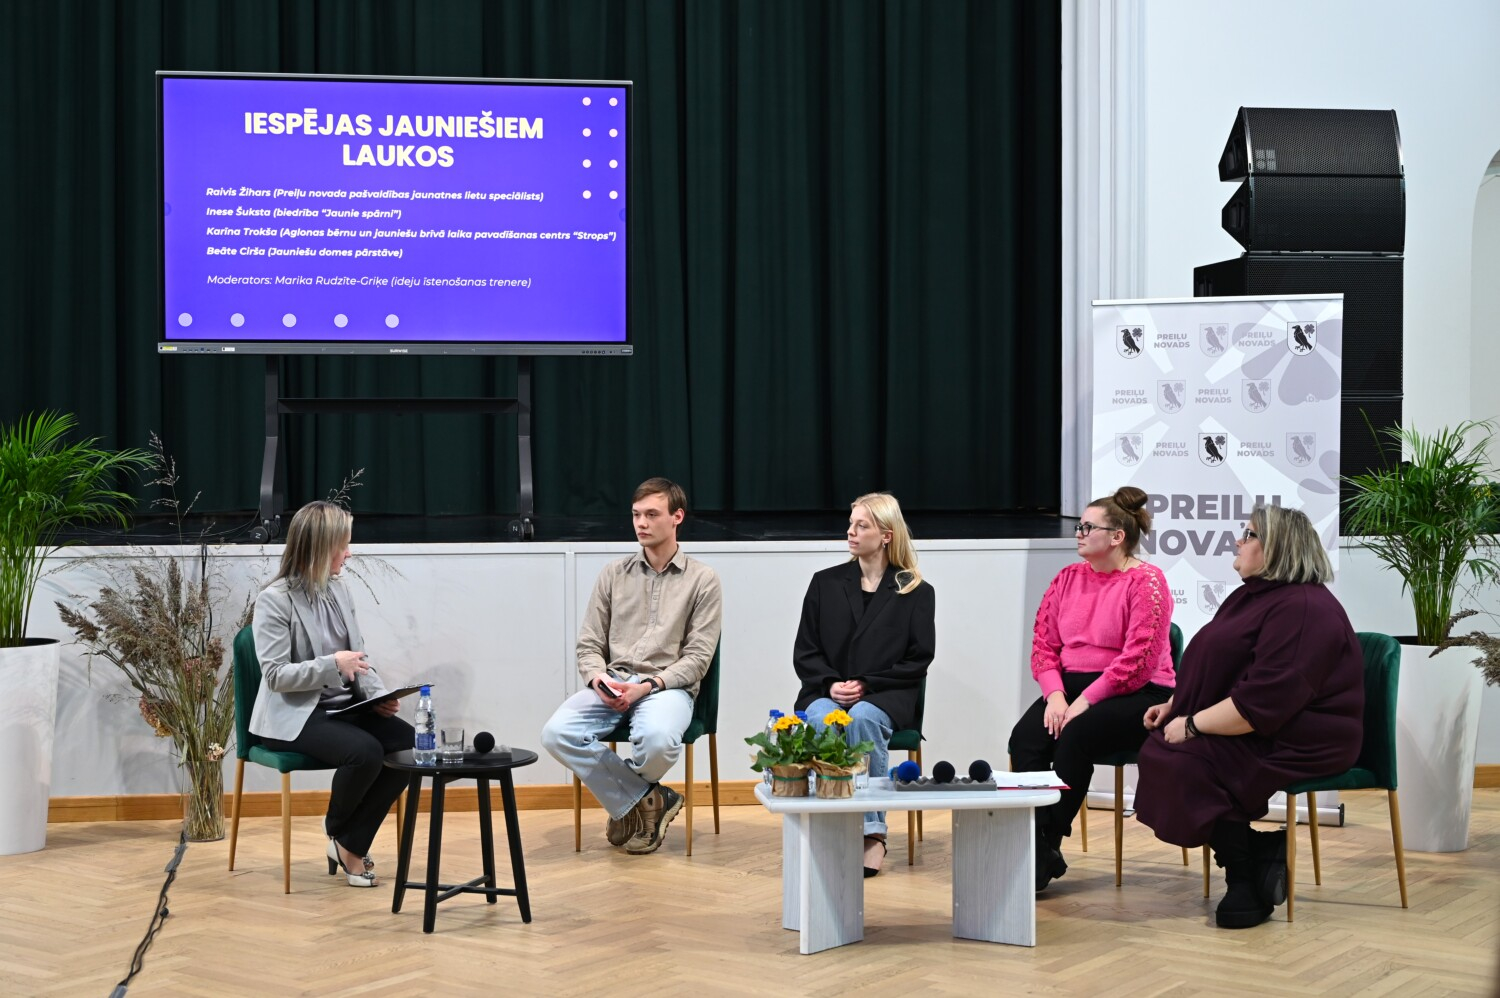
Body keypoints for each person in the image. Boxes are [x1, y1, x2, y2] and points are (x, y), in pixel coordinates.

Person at [1134, 504, 1363, 929]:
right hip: (1260, 724)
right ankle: (1254, 859)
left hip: (1302, 734)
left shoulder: (1305, 609)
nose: (1238, 541)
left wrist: (1194, 723)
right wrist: (1177, 705)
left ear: (1278, 548)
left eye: (1250, 534)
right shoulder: (1249, 596)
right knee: (1162, 751)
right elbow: (1220, 667)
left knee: (1190, 762)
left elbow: (1268, 698)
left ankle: (1245, 874)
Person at [541, 478, 723, 855]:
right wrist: (598, 679)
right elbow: (589, 643)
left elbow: (698, 658)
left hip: (667, 688)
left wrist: (649, 686)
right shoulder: (613, 573)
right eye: (636, 514)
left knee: (657, 741)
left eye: (652, 514)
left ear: (677, 517)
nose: (641, 523)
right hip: (614, 682)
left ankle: (628, 802)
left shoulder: (703, 580)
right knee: (556, 733)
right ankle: (650, 800)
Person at [1008, 486, 1176, 892]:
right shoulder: (1066, 579)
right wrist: (1055, 696)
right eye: (1078, 526)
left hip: (1139, 692)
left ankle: (1046, 839)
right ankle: (1037, 843)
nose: (1078, 533)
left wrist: (1084, 701)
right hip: (1070, 688)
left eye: (1087, 527)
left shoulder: (1147, 583)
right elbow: (1044, 647)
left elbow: (1137, 662)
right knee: (1025, 740)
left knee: (1076, 735)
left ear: (1117, 536)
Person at [251, 500, 414, 888]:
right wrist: (330, 665)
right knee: (365, 752)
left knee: (408, 744)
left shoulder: (339, 591)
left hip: (344, 706)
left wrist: (378, 698)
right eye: (344, 544)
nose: (349, 553)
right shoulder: (274, 600)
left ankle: (347, 841)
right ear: (321, 547)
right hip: (295, 714)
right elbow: (275, 676)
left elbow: (357, 657)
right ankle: (342, 836)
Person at [793, 492, 936, 877]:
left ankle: (872, 833)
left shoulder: (916, 591)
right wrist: (831, 684)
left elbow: (918, 659)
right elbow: (805, 651)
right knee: (825, 719)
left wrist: (867, 685)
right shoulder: (824, 583)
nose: (850, 532)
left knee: (862, 720)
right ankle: (832, 825)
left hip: (886, 693)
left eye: (862, 525)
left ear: (886, 535)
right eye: (851, 524)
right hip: (827, 689)